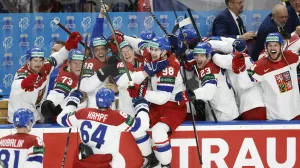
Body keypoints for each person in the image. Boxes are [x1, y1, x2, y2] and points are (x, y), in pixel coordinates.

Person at [127, 36, 186, 168]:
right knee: (136, 126)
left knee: (158, 131)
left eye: (157, 50)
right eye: (152, 48)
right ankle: (150, 159)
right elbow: (139, 44)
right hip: (156, 105)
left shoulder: (170, 66)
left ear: (164, 51)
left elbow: (162, 98)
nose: (153, 52)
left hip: (173, 107)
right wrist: (121, 37)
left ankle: (166, 165)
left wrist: (141, 92)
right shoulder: (153, 56)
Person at [56, 88, 150, 168]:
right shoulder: (117, 117)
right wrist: (142, 107)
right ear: (111, 101)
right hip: (104, 161)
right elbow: (142, 125)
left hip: (86, 159)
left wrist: (73, 100)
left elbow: (60, 119)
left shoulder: (83, 112)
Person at [8, 32, 82, 123]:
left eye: (40, 61)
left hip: (36, 118)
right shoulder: (23, 72)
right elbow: (16, 84)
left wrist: (68, 45)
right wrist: (24, 83)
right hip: (18, 119)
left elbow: (59, 56)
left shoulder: (45, 67)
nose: (38, 64)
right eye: (35, 61)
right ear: (28, 62)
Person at [235, 32, 300, 120]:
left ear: (281, 46)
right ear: (266, 47)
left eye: (275, 45)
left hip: (296, 113)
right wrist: (240, 70)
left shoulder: (292, 57)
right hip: (276, 118)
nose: (272, 48)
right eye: (270, 45)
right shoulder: (259, 66)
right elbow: (244, 84)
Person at [176, 42, 239, 121]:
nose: (198, 58)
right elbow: (192, 80)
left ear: (208, 57)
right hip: (218, 109)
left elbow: (209, 91)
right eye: (196, 55)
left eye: (202, 55)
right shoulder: (205, 66)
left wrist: (190, 95)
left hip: (223, 113)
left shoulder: (209, 69)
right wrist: (187, 68)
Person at [212, 39, 266, 120]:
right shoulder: (248, 59)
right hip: (255, 104)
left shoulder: (241, 58)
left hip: (251, 105)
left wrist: (212, 52)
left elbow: (219, 60)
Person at [41, 49, 87, 122]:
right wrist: (50, 102)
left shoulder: (66, 65)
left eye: (80, 63)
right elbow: (58, 93)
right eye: (75, 63)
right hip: (67, 119)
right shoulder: (67, 79)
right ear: (69, 63)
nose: (78, 66)